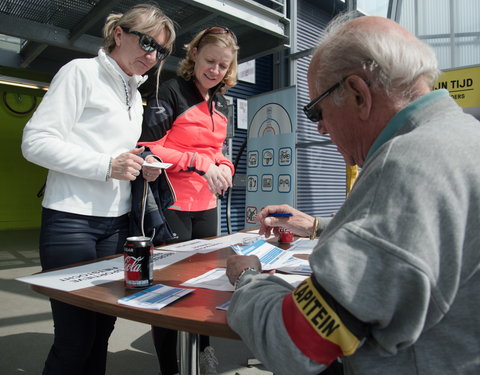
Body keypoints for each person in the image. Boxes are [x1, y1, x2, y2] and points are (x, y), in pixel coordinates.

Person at [225, 12, 480, 375]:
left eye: (317, 111)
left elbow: (296, 342)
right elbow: (418, 244)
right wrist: (315, 226)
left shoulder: (405, 165)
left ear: (359, 94)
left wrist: (248, 280)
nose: (323, 129)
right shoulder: (461, 137)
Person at [21, 4, 175, 374]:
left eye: (162, 51)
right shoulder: (80, 72)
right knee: (73, 341)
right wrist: (107, 166)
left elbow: (114, 154)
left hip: (117, 225)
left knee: (102, 331)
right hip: (70, 222)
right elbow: (35, 142)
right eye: (147, 42)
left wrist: (141, 166)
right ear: (119, 34)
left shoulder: (134, 94)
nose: (152, 55)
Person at [139, 26, 239, 375]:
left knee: (208, 284)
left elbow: (218, 151)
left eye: (223, 66)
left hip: (206, 207)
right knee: (169, 291)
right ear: (194, 54)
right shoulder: (171, 91)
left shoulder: (222, 100)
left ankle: (203, 352)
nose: (215, 71)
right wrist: (200, 163)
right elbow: (147, 146)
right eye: (210, 61)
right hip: (172, 206)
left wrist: (225, 166)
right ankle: (169, 366)